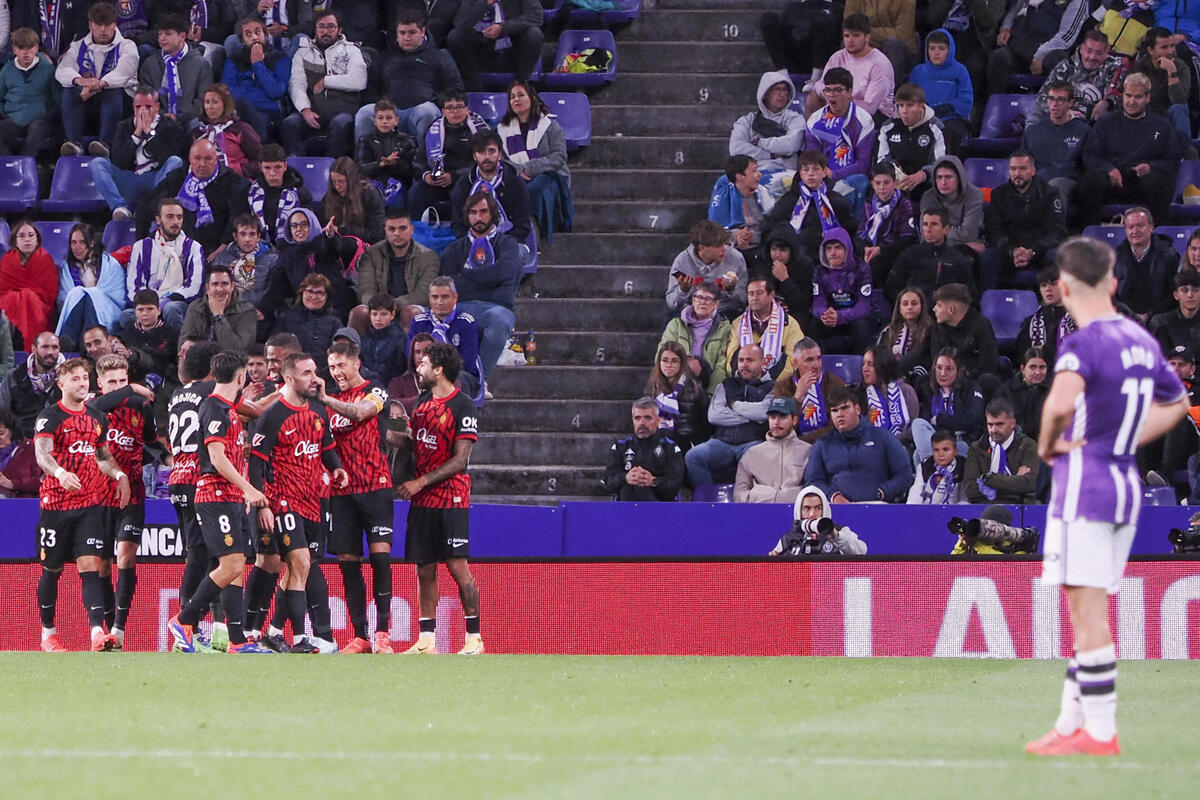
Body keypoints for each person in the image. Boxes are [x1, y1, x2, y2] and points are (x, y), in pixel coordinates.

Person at [1025, 236, 1187, 757]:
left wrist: (1050, 446)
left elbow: (1056, 405)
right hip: (1125, 488)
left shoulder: (1082, 342)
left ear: (1065, 286)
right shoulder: (1139, 338)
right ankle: (1071, 724)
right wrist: (1123, 439)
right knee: (1084, 612)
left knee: (1088, 614)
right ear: (1114, 283)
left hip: (1084, 490)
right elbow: (1179, 403)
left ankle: (1100, 732)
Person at [168, 350, 274, 654]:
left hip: (228, 495)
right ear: (241, 377)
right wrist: (248, 489)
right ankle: (184, 620)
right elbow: (216, 457)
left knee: (237, 566)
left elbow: (252, 415)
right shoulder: (214, 408)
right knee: (231, 564)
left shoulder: (229, 406)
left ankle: (237, 641)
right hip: (214, 494)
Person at [250, 351, 348, 654]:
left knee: (298, 569)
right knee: (300, 562)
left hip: (312, 500)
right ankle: (300, 637)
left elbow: (326, 447)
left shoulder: (318, 411)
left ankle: (275, 631)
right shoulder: (273, 416)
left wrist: (336, 467)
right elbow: (255, 464)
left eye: (315, 372)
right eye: (307, 373)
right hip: (283, 501)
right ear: (289, 379)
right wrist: (263, 503)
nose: (315, 378)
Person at [32, 357, 131, 652]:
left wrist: (120, 474)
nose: (82, 382)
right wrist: (61, 473)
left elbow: (102, 457)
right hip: (55, 505)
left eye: (84, 377)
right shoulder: (50, 417)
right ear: (61, 385)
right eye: (74, 378)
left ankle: (96, 634)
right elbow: (42, 454)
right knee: (51, 569)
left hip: (89, 504)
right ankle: (48, 633)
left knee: (91, 565)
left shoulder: (96, 416)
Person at [396, 342, 483, 655]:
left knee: (458, 567)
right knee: (424, 568)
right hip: (423, 499)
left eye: (424, 362)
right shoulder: (422, 401)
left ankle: (474, 638)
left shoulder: (463, 406)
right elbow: (416, 444)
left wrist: (420, 481)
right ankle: (426, 640)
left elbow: (460, 460)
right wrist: (386, 434)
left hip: (451, 497)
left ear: (439, 369)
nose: (418, 366)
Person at [317, 339, 397, 654]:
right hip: (342, 492)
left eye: (341, 365)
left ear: (356, 363)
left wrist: (325, 399)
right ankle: (361, 636)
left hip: (376, 486)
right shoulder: (330, 401)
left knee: (380, 557)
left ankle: (382, 634)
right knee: (348, 564)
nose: (337, 372)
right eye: (332, 366)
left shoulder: (376, 392)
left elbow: (362, 413)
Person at [88, 353, 158, 649]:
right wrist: (131, 389)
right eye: (112, 382)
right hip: (98, 493)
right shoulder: (91, 407)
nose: (118, 387)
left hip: (133, 492)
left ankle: (119, 628)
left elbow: (152, 441)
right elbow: (96, 407)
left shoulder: (141, 408)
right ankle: (104, 627)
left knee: (126, 554)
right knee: (102, 565)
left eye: (123, 381)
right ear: (101, 384)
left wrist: (169, 458)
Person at [1077, 71, 1183, 227]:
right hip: (1112, 181)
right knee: (1090, 181)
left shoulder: (1161, 125)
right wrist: (1108, 169)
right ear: (1122, 96)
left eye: (1138, 97)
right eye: (1128, 96)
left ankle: (1160, 234)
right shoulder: (1106, 122)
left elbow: (1172, 160)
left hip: (1143, 183)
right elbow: (1091, 155)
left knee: (1158, 181)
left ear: (1147, 98)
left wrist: (1151, 166)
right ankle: (1088, 235)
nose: (1132, 101)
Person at [439, 191, 523, 384]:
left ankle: (477, 382)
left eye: (484, 211)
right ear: (467, 216)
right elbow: (449, 285)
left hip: (496, 307)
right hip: (462, 306)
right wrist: (490, 278)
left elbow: (505, 273)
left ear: (493, 214)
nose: (478, 217)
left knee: (499, 321)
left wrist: (466, 275)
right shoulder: (454, 249)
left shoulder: (508, 244)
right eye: (473, 212)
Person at [353, 9, 463, 145]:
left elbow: (455, 89)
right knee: (364, 113)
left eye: (412, 32)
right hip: (389, 111)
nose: (406, 37)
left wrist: (435, 100)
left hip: (421, 109)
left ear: (422, 32)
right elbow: (371, 90)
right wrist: (383, 106)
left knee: (427, 112)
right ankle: (363, 163)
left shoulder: (440, 56)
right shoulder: (383, 57)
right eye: (402, 33)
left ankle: (426, 164)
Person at [139, 138, 251, 257]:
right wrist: (144, 243)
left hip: (216, 251)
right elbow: (146, 206)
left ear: (216, 159)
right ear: (190, 159)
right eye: (197, 158)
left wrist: (225, 245)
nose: (202, 164)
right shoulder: (177, 178)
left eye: (208, 159)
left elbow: (238, 216)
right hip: (176, 249)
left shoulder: (232, 181)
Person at [89, 86, 188, 222]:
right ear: (133, 107)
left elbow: (166, 155)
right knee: (98, 163)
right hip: (129, 178)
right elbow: (119, 160)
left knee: (175, 161)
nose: (142, 111)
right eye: (138, 107)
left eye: (148, 106)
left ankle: (153, 207)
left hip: (155, 179)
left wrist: (149, 134)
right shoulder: (123, 126)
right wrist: (136, 135)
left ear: (157, 107)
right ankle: (120, 207)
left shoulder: (169, 125)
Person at [801, 383, 912, 502]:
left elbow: (904, 475)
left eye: (845, 408)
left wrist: (882, 492)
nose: (840, 414)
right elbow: (813, 481)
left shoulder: (883, 437)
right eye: (834, 410)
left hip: (877, 506)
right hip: (836, 508)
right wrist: (833, 496)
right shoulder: (822, 444)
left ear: (857, 409)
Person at [55, 3, 139, 157]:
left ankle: (105, 143)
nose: (103, 30)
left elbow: (124, 71)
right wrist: (80, 81)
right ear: (90, 24)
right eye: (99, 24)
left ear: (115, 25)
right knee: (69, 89)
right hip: (88, 98)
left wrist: (98, 84)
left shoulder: (127, 46)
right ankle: (74, 143)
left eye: (107, 25)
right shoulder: (78, 46)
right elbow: (62, 70)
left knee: (112, 90)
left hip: (122, 101)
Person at [684, 344, 775, 486]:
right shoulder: (726, 384)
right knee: (693, 457)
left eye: (750, 360)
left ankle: (749, 503)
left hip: (753, 442)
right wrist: (750, 418)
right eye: (741, 360)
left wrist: (734, 406)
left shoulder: (773, 387)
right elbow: (714, 416)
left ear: (763, 363)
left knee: (758, 458)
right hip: (721, 442)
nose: (744, 365)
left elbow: (763, 412)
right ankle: (709, 503)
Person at [280, 9, 366, 158]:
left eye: (331, 26)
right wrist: (305, 110)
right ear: (315, 29)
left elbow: (359, 80)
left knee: (340, 124)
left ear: (339, 30)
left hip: (343, 110)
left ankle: (333, 172)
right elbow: (297, 84)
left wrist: (326, 81)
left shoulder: (352, 50)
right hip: (313, 111)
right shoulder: (302, 53)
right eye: (321, 27)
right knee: (289, 124)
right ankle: (298, 173)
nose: (326, 31)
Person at [980, 150, 1067, 291]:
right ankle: (986, 305)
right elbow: (994, 231)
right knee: (988, 258)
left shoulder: (1050, 194)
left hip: (1040, 250)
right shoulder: (998, 195)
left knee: (1055, 256)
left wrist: (1033, 251)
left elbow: (1057, 232)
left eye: (1022, 168)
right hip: (1010, 251)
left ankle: (1056, 305)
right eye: (1013, 169)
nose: (1017, 173)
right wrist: (1012, 250)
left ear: (1033, 170)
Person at [498, 80, 572, 243]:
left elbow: (559, 157)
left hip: (552, 175)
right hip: (517, 176)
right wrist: (519, 171)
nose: (515, 100)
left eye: (520, 95)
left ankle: (533, 236)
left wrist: (528, 169)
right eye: (512, 97)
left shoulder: (550, 125)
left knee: (532, 190)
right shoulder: (502, 130)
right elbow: (501, 159)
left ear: (532, 98)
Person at [261, 207, 358, 322]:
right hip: (304, 312)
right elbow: (277, 288)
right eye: (294, 225)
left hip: (334, 308)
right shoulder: (287, 255)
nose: (299, 229)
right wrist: (263, 309)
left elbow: (336, 248)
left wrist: (331, 236)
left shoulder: (323, 243)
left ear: (312, 224)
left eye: (304, 224)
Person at [408, 90, 491, 221]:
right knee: (416, 192)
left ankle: (460, 233)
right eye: (450, 108)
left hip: (465, 178)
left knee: (461, 192)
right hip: (436, 181)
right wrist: (426, 176)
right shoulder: (432, 129)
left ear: (466, 109)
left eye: (459, 107)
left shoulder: (478, 130)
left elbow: (484, 163)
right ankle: (418, 234)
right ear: (443, 111)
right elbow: (418, 161)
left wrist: (454, 176)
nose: (455, 111)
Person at [125, 198, 206, 330]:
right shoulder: (141, 247)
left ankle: (177, 348)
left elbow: (195, 287)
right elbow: (133, 285)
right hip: (147, 303)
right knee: (126, 316)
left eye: (179, 217)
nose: (176, 222)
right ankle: (139, 349)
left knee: (170, 309)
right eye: (170, 217)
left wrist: (169, 299)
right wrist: (150, 306)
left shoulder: (193, 247)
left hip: (178, 303)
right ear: (158, 219)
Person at [355, 208, 440, 331]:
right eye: (392, 229)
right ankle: (351, 350)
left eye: (402, 228)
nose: (397, 233)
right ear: (385, 230)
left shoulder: (429, 257)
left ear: (412, 229)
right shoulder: (371, 253)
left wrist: (393, 306)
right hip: (379, 306)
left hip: (411, 306)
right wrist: (380, 307)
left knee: (410, 312)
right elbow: (365, 289)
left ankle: (409, 350)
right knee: (359, 312)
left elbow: (424, 294)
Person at [805, 67, 875, 214]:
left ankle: (855, 231)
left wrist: (834, 175)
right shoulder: (815, 121)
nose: (831, 95)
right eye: (828, 90)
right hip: (820, 175)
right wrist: (823, 174)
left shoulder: (864, 121)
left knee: (861, 181)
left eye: (837, 90)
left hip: (849, 177)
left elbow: (863, 164)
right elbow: (812, 158)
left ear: (849, 92)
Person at [986, 0, 1088, 99]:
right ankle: (992, 109)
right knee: (998, 57)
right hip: (1019, 47)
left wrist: (1040, 55)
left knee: (1058, 62)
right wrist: (1006, 27)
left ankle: (1049, 112)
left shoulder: (1077, 2)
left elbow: (1066, 36)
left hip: (1048, 54)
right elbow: (1015, 10)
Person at [448, 128, 532, 244]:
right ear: (474, 155)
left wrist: (499, 244)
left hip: (509, 243)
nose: (487, 157)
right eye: (481, 152)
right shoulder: (464, 183)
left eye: (491, 151)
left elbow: (522, 226)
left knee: (513, 255)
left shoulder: (515, 182)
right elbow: (458, 225)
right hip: (473, 243)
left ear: (500, 154)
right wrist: (475, 243)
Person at [1022, 79, 1091, 219]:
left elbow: (1088, 164)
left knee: (1056, 186)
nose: (1055, 104)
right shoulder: (1033, 131)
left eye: (1061, 99)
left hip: (1070, 183)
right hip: (1038, 181)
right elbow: (1023, 162)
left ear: (1070, 103)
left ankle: (1055, 235)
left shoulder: (1083, 131)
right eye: (1051, 99)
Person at [407, 276, 484, 401]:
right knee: (402, 381)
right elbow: (411, 358)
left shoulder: (466, 322)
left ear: (455, 298)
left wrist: (438, 373)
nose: (439, 302)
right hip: (425, 372)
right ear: (429, 299)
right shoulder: (418, 322)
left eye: (445, 297)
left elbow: (467, 363)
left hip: (461, 375)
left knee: (457, 379)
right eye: (435, 297)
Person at [806, 14, 896, 118]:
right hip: (841, 105)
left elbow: (870, 107)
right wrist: (834, 96)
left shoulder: (880, 63)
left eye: (856, 35)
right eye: (847, 36)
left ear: (867, 37)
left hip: (875, 116)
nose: (850, 40)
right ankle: (814, 133)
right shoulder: (838, 57)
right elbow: (820, 85)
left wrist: (840, 99)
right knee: (813, 98)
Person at [219, 15, 291, 141]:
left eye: (257, 32)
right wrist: (259, 92)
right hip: (238, 112)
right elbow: (227, 93)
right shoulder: (234, 61)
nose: (254, 37)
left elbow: (275, 91)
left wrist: (258, 66)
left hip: (268, 114)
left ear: (266, 35)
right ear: (242, 41)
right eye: (248, 34)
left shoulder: (280, 58)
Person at [447, 0, 544, 92]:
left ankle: (521, 85)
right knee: (455, 37)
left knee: (534, 34)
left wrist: (503, 28)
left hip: (513, 44)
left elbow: (536, 16)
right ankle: (474, 88)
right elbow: (460, 23)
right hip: (481, 46)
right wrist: (485, 4)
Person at [55, 223, 126, 346]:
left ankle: (68, 344)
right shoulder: (66, 266)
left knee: (87, 297)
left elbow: (118, 297)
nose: (77, 247)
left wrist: (92, 289)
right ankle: (83, 346)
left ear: (91, 243)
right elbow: (63, 299)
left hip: (108, 311)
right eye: (73, 242)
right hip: (75, 313)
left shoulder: (110, 264)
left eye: (82, 242)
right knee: (81, 295)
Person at [1033, 29, 1127, 122]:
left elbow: (1122, 101)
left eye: (1098, 53)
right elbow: (1042, 98)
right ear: (1082, 49)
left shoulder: (1115, 69)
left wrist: (1107, 103)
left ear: (1106, 52)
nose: (1092, 57)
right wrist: (1065, 112)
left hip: (1095, 126)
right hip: (1062, 121)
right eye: (1089, 51)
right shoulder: (1066, 67)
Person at [602, 396, 685, 502]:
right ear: (632, 420)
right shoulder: (620, 447)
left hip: (660, 506)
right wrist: (626, 478)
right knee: (628, 489)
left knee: (642, 489)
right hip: (626, 502)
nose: (642, 422)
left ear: (657, 420)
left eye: (647, 418)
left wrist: (653, 481)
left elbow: (675, 483)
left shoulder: (670, 448)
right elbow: (608, 481)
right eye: (637, 418)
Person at [724, 276, 805, 383]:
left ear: (771, 296)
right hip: (742, 385)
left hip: (777, 387)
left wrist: (767, 381)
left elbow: (794, 360)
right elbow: (731, 357)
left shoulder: (789, 324)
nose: (754, 297)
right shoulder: (738, 323)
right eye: (751, 294)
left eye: (759, 293)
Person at [885, 209, 976, 304]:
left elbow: (970, 295)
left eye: (934, 224)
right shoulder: (909, 255)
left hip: (947, 312)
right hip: (915, 312)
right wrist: (908, 304)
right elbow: (891, 288)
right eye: (925, 224)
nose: (928, 230)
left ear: (946, 229)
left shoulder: (958, 259)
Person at [912, 346, 986, 462]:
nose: (942, 373)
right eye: (939, 368)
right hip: (938, 442)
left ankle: (932, 467)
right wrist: (953, 422)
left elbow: (971, 420)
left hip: (961, 442)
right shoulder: (928, 390)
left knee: (918, 455)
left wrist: (940, 420)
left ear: (958, 371)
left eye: (949, 369)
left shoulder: (971, 387)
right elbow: (926, 422)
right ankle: (932, 465)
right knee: (917, 425)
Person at [733, 395, 813, 503]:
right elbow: (739, 495)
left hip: (797, 515)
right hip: (760, 514)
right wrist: (770, 497)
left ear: (794, 420)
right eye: (772, 417)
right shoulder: (752, 453)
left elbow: (813, 492)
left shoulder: (808, 451)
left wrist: (778, 496)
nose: (776, 422)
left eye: (782, 417)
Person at [659, 281, 734, 394]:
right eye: (699, 297)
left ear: (716, 304)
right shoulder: (676, 324)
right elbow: (662, 354)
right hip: (676, 378)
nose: (702, 302)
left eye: (708, 299)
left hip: (708, 381)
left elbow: (721, 365)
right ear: (693, 300)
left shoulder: (724, 328)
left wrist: (712, 394)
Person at [810, 227, 876, 354]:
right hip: (830, 319)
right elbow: (818, 301)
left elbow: (863, 306)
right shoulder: (820, 271)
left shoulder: (862, 269)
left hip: (853, 318)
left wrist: (840, 317)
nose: (832, 253)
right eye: (828, 248)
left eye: (837, 247)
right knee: (814, 324)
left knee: (862, 326)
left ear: (847, 249)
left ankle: (861, 367)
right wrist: (824, 314)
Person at [666, 219, 749, 321]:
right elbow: (672, 303)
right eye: (718, 246)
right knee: (671, 320)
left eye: (724, 244)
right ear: (702, 248)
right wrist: (683, 291)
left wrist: (731, 290)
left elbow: (743, 300)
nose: (724, 249)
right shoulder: (682, 261)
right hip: (693, 310)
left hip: (725, 310)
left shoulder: (736, 258)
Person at [874, 83, 947, 199]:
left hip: (928, 187)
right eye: (900, 105)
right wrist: (897, 174)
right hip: (895, 185)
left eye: (910, 105)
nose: (904, 111)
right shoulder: (888, 127)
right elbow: (882, 159)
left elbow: (941, 163)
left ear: (921, 106)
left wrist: (922, 175)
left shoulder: (936, 127)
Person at [139, 14, 213, 127]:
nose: (162, 38)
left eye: (168, 34)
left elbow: (203, 102)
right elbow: (146, 99)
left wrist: (179, 118)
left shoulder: (201, 64)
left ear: (182, 36)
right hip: (158, 120)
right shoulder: (150, 64)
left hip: (190, 120)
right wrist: (164, 117)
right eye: (160, 34)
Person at [907, 28, 973, 153]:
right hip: (922, 118)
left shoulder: (960, 71)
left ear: (950, 49)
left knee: (948, 133)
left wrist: (947, 108)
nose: (936, 52)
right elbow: (910, 96)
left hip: (951, 119)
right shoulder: (918, 71)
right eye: (932, 48)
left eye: (941, 48)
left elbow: (966, 101)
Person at [729, 71, 806, 178]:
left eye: (784, 90)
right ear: (764, 94)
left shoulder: (795, 119)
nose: (781, 94)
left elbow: (791, 145)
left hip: (785, 173)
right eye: (776, 89)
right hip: (754, 174)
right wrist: (771, 155)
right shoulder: (746, 121)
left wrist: (759, 142)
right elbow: (736, 149)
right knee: (724, 182)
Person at [964, 397, 1040, 504]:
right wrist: (1014, 482)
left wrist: (988, 479)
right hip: (983, 509)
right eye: (990, 424)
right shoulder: (976, 448)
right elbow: (970, 489)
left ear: (1012, 423)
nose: (994, 430)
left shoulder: (1028, 446)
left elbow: (1028, 484)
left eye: (999, 424)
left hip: (1019, 508)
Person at [0, 28, 60, 159]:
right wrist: (6, 113)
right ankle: (10, 167)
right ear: (14, 49)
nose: (25, 53)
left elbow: (57, 99)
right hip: (14, 120)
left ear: (36, 48)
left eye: (30, 47)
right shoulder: (6, 70)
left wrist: (46, 113)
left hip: (40, 120)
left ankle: (25, 169)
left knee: (35, 134)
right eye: (21, 48)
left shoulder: (49, 70)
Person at [1114, 206, 1180, 321]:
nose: (1135, 231)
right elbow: (1114, 295)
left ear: (1151, 227)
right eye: (1130, 227)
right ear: (1126, 231)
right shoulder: (1116, 257)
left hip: (1158, 317)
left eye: (1140, 226)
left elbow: (1173, 295)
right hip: (1125, 317)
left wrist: (1149, 315)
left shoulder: (1169, 255)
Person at [774, 337, 847, 442]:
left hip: (828, 443)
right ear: (795, 363)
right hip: (792, 447)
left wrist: (802, 442)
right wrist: (797, 397)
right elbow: (780, 427)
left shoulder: (836, 383)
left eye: (818, 358)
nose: (816, 365)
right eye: (809, 360)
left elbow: (837, 426)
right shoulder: (782, 387)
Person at [0, 220, 57, 350]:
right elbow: (2, 290)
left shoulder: (45, 260)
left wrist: (26, 296)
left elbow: (49, 295)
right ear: (15, 241)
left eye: (31, 235)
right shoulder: (7, 261)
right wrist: (20, 297)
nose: (27, 239)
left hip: (39, 307)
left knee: (28, 298)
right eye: (22, 236)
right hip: (9, 306)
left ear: (37, 239)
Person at [929, 282, 998, 385]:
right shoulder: (937, 328)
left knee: (987, 380)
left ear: (951, 309)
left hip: (974, 382)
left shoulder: (981, 325)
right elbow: (936, 361)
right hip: (944, 379)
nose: (934, 309)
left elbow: (988, 365)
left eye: (939, 305)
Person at [645, 341, 709, 453]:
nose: (669, 365)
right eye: (665, 360)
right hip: (656, 443)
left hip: (686, 445)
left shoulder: (694, 388)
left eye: (674, 361)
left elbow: (704, 424)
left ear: (681, 364)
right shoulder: (652, 388)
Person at [245, 143, 313, 247]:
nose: (272, 173)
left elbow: (308, 228)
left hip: (294, 248)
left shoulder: (300, 193)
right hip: (259, 249)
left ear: (285, 166)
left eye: (277, 167)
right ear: (260, 167)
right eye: (267, 168)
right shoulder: (251, 191)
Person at [179, 263, 257, 352]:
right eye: (215, 284)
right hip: (200, 361)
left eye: (224, 284)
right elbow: (182, 345)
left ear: (232, 286)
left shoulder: (247, 311)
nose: (220, 289)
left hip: (232, 364)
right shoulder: (196, 307)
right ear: (207, 287)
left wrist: (218, 315)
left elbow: (238, 349)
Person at [770, 485, 868, 554]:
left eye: (818, 508)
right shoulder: (788, 538)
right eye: (807, 508)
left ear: (825, 508)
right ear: (799, 511)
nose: (812, 514)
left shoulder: (839, 531)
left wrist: (835, 536)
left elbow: (861, 551)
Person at [270, 272, 341, 368]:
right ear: (301, 293)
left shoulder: (334, 323)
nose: (314, 296)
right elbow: (274, 348)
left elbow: (338, 354)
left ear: (327, 296)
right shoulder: (286, 318)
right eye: (309, 292)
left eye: (319, 293)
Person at [1134, 26, 1192, 141]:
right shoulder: (1141, 67)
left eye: (1172, 46)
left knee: (1178, 109)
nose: (1171, 51)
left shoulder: (1181, 66)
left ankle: (1184, 152)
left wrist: (1172, 72)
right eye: (1164, 47)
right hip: (1148, 116)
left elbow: (1179, 100)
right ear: (1151, 50)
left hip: (1169, 116)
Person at [211, 213, 278, 312]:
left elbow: (276, 292)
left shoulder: (272, 260)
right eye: (243, 234)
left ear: (258, 236)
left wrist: (264, 311)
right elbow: (212, 290)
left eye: (252, 234)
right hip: (227, 313)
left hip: (258, 315)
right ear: (235, 236)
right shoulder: (222, 260)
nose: (247, 239)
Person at [192, 82, 262, 177]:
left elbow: (261, 160)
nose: (210, 107)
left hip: (236, 181)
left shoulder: (240, 129)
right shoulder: (198, 133)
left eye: (215, 102)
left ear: (225, 105)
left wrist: (236, 169)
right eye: (207, 102)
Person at [710, 155, 776, 255]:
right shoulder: (723, 196)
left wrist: (752, 236)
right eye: (754, 171)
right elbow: (713, 232)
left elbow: (773, 224)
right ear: (739, 176)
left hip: (761, 247)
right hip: (729, 251)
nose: (759, 175)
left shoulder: (762, 193)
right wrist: (736, 237)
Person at [355, 98, 419, 203]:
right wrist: (380, 164)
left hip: (399, 185)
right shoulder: (365, 140)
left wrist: (395, 164)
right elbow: (361, 169)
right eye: (380, 118)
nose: (385, 121)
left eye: (389, 118)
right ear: (375, 121)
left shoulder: (408, 141)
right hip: (372, 186)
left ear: (396, 121)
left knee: (397, 200)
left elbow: (412, 171)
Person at [918, 155, 984, 254]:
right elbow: (927, 235)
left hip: (962, 251)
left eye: (948, 177)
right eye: (939, 177)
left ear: (959, 178)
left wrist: (939, 233)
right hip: (939, 247)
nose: (943, 182)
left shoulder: (974, 194)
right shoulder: (928, 197)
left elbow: (968, 233)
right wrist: (964, 243)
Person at [0, 332, 62, 437]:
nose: (50, 352)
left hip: (58, 439)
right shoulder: (14, 376)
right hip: (21, 440)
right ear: (34, 349)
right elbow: (2, 412)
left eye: (54, 347)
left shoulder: (69, 377)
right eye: (45, 347)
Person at [759, 4, 846, 77]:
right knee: (768, 18)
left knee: (821, 20)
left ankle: (816, 78)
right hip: (794, 57)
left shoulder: (837, 8)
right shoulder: (791, 8)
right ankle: (783, 76)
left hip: (824, 58)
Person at [755, 224, 815, 330]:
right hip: (767, 310)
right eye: (773, 249)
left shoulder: (805, 266)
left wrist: (785, 279)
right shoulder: (763, 263)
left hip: (794, 313)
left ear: (791, 251)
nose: (777, 255)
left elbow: (804, 304)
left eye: (782, 250)